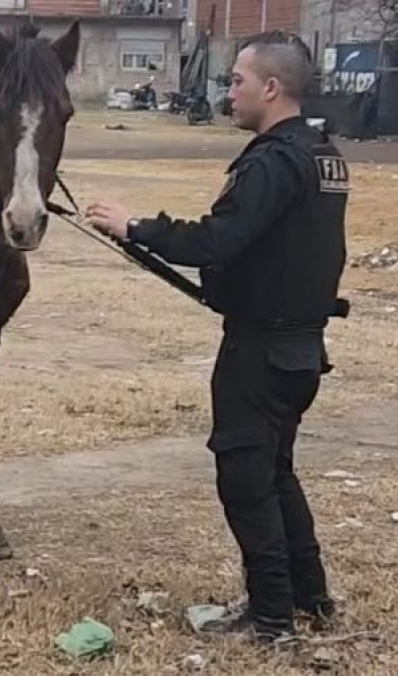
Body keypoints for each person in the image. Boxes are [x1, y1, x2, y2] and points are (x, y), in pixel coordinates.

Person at [86, 30, 347, 644]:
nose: (229, 92)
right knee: (276, 473)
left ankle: (271, 618)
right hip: (300, 349)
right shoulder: (321, 153)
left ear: (272, 88)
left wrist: (135, 226)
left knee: (247, 481)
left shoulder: (273, 160)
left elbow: (217, 241)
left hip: (261, 349)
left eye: (237, 81)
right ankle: (310, 599)